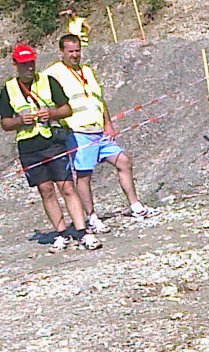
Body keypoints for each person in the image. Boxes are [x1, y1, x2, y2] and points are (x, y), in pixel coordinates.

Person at [43, 34, 158, 234]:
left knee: (124, 162)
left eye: (77, 50)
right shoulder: (52, 74)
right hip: (78, 132)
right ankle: (91, 217)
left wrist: (108, 123)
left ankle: (136, 206)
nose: (75, 55)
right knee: (84, 176)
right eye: (70, 51)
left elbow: (99, 99)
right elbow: (44, 101)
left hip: (99, 131)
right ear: (61, 52)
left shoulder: (87, 70)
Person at [0, 43, 100, 251]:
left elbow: (67, 109)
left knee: (67, 186)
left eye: (31, 63)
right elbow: (6, 123)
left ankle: (82, 231)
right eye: (24, 64)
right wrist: (20, 121)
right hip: (29, 147)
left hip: (52, 142)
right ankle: (61, 233)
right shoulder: (8, 89)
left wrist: (51, 114)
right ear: (15, 64)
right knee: (45, 190)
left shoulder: (48, 81)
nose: (29, 67)